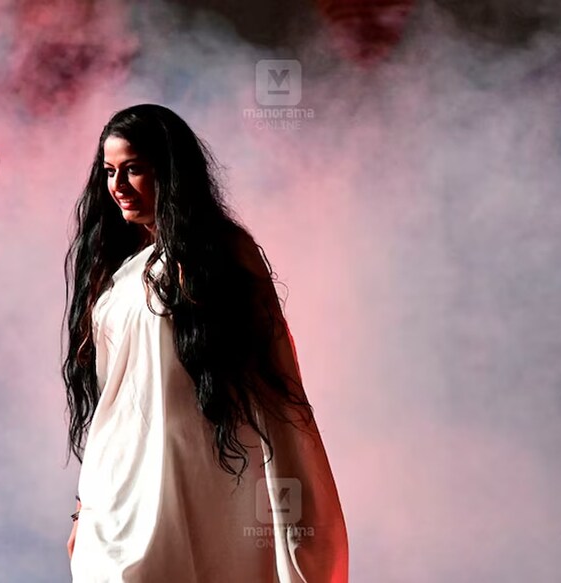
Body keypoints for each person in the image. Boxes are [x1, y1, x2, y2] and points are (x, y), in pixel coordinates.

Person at [62, 104, 348, 582]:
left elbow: (270, 378)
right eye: (110, 172)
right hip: (119, 484)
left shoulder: (222, 252)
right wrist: (83, 507)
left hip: (203, 467)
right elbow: (111, 394)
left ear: (169, 172)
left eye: (134, 169)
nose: (118, 186)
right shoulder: (120, 273)